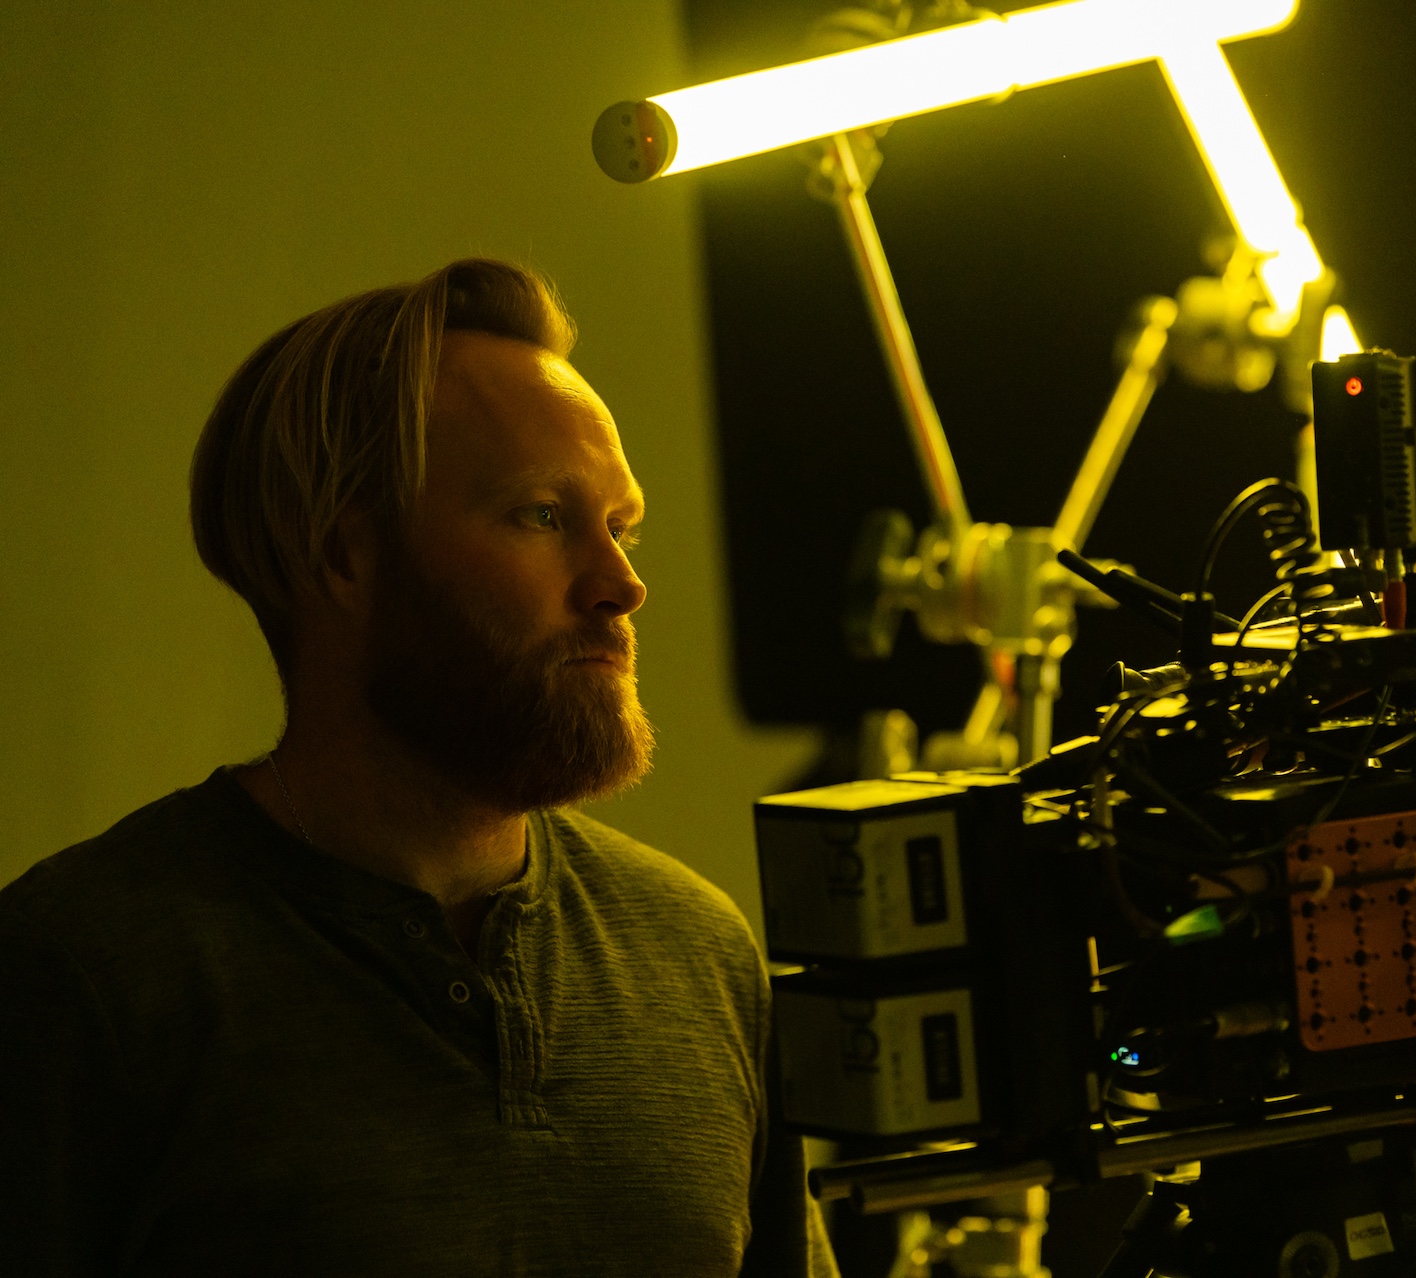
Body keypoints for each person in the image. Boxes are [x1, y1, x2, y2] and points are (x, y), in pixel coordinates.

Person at [0, 259, 837, 1277]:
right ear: (344, 558)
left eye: (620, 527)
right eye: (542, 515)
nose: (622, 585)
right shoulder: (85, 975)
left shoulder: (699, 958)